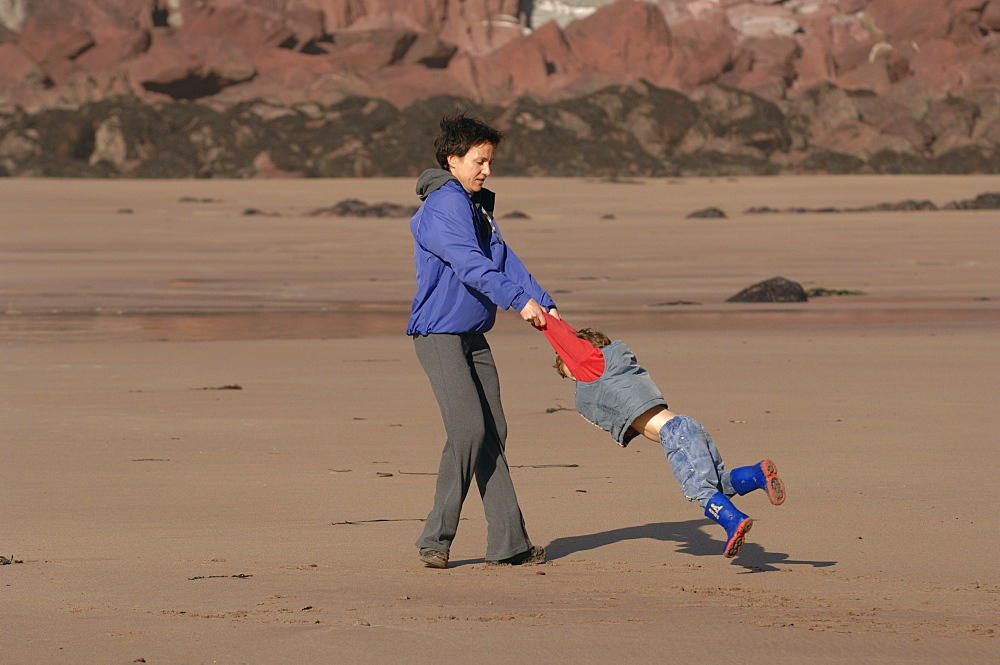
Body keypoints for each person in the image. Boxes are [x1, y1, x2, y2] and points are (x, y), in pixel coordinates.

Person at [407, 112, 556, 569]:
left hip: (473, 334)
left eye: (490, 161)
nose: (486, 169)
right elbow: (469, 263)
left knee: (492, 432)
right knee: (469, 430)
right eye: (479, 160)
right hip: (439, 334)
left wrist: (542, 302)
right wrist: (516, 301)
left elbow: (504, 259)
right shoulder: (443, 206)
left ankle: (509, 543)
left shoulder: (476, 206)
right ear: (453, 159)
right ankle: (435, 538)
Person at [536, 316, 786, 558]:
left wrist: (539, 315)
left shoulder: (591, 364)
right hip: (687, 426)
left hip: (676, 436)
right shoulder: (612, 364)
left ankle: (733, 522)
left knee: (698, 488)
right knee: (716, 483)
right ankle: (755, 475)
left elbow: (562, 337)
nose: (564, 365)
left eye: (565, 359)